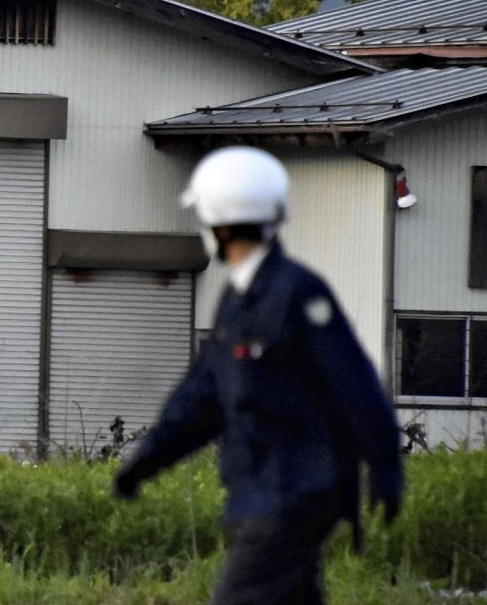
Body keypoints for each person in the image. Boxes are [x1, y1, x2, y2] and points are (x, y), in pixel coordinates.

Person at [113, 146, 404, 605]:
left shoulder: (296, 292)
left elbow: (354, 383)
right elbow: (202, 397)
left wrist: (386, 465)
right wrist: (146, 463)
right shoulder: (238, 299)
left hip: (296, 491)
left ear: (221, 221)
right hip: (262, 489)